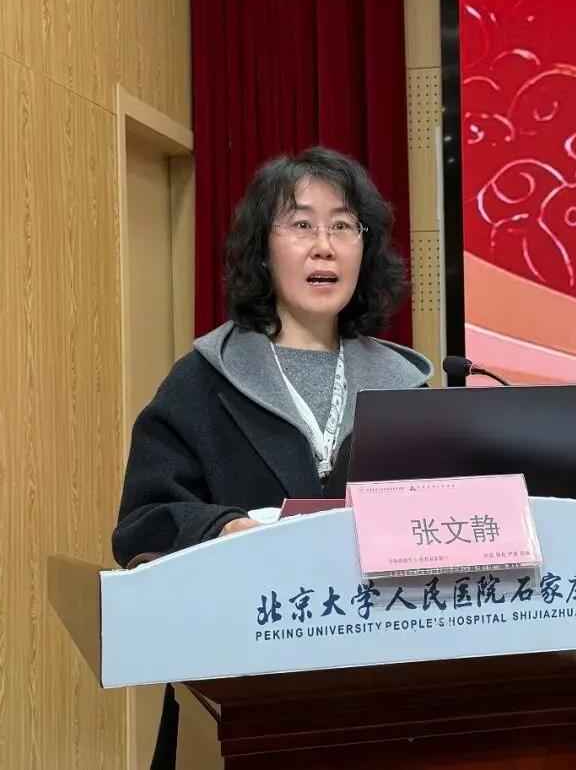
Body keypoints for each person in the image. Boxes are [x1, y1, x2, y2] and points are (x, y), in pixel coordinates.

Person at [111, 146, 434, 768]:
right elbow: (143, 519)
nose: (324, 246)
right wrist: (224, 529)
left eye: (343, 226)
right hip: (241, 685)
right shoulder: (203, 380)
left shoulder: (405, 387)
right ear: (263, 249)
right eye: (301, 224)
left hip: (383, 687)